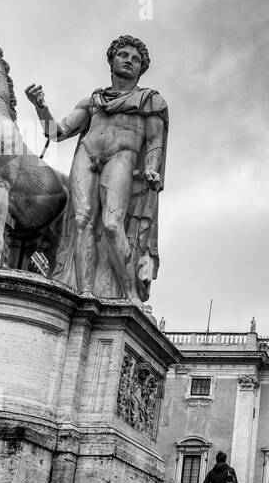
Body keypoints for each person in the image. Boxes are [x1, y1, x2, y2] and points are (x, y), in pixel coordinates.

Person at [25, 35, 168, 303]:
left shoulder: (151, 101)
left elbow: (155, 142)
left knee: (113, 225)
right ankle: (84, 294)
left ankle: (129, 295)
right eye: (124, 55)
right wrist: (40, 107)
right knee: (81, 221)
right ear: (112, 60)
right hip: (87, 155)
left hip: (122, 158)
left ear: (142, 69)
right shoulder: (93, 100)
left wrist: (150, 169)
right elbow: (57, 132)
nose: (129, 61)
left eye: (136, 60)